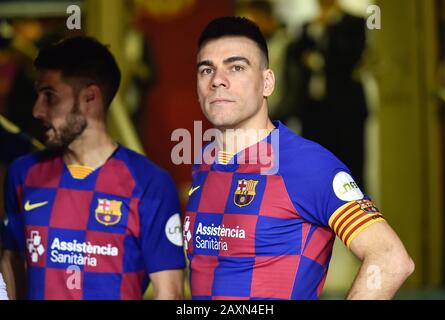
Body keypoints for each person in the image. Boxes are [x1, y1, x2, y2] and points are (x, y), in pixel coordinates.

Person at [184, 16, 414, 300]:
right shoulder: (205, 162)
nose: (218, 80)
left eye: (236, 67)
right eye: (207, 70)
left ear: (267, 83)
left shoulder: (307, 165)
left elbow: (390, 259)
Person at [0, 36, 185, 300]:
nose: (37, 110)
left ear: (90, 97)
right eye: (37, 94)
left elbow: (170, 293)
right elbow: (11, 258)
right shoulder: (23, 173)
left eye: (49, 97)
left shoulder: (150, 184)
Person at [283, 0, 368, 189]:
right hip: (314, 107)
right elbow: (295, 52)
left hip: (345, 108)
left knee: (349, 164)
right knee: (316, 165)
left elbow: (348, 58)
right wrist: (316, 31)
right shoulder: (310, 26)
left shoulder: (353, 22)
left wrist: (318, 57)